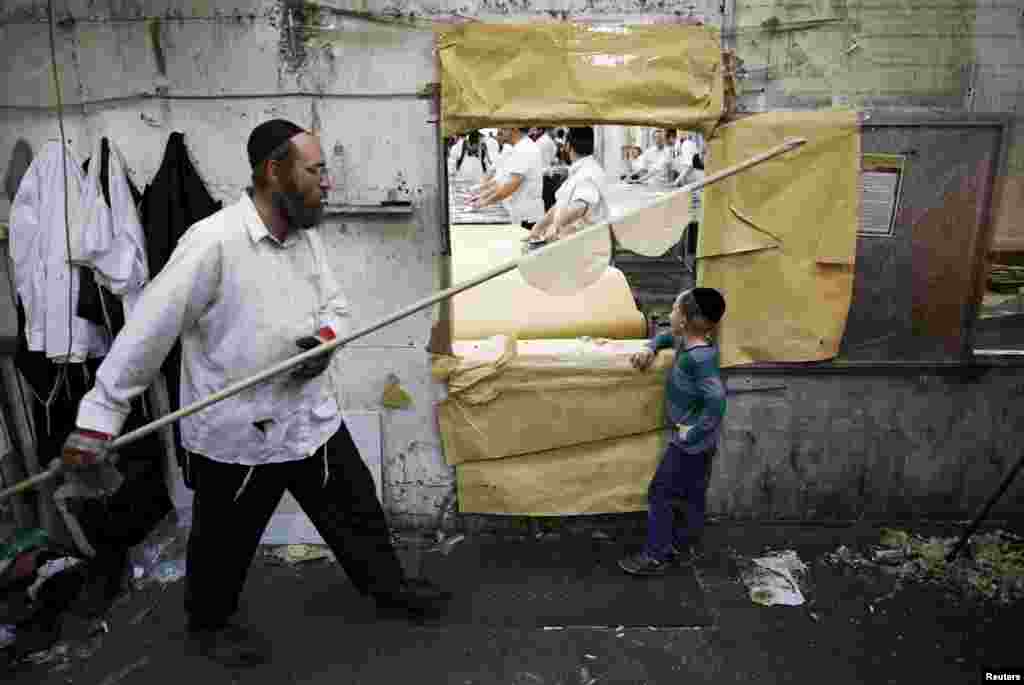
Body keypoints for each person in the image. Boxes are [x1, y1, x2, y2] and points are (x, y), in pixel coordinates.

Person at [60, 119, 452, 668]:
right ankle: (210, 628)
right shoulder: (212, 242)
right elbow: (149, 331)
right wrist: (98, 420)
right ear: (275, 171)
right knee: (221, 549)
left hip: (309, 420)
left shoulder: (304, 238)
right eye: (315, 170)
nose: (327, 183)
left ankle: (391, 592)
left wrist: (322, 342)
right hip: (238, 435)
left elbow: (337, 309)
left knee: (359, 515)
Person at [619, 288, 727, 576]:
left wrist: (689, 434)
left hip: (689, 445)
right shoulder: (689, 343)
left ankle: (656, 555)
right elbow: (667, 336)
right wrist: (650, 346)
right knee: (691, 495)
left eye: (674, 309)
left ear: (686, 320)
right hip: (700, 444)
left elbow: (716, 402)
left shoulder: (698, 359)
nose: (669, 314)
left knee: (661, 493)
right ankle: (685, 546)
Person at [526, 126, 609, 245]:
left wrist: (555, 226)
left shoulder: (587, 172)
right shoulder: (582, 170)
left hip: (586, 245)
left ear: (568, 146)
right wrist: (538, 227)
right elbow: (559, 205)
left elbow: (579, 206)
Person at [470, 127, 544, 231]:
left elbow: (511, 185)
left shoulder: (525, 149)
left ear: (514, 129)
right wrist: (481, 196)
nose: (500, 132)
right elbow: (502, 181)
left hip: (527, 216)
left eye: (504, 129)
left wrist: (483, 202)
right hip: (518, 211)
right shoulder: (517, 148)